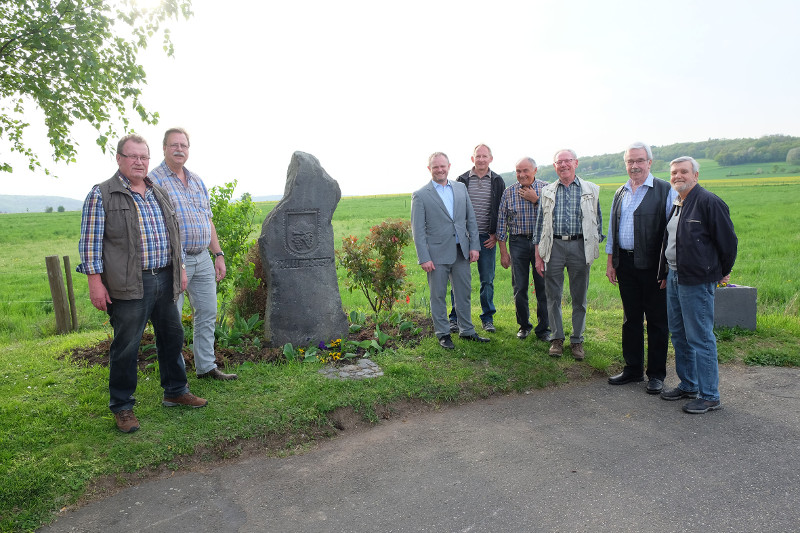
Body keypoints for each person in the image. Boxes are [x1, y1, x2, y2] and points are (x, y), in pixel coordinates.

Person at [77, 134, 207, 434]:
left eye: (143, 157)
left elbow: (174, 236)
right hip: (129, 285)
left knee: (172, 336)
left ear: (149, 160)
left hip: (164, 277)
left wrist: (181, 270)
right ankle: (122, 407)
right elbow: (90, 243)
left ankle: (176, 390)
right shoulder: (102, 194)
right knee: (126, 347)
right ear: (119, 159)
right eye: (132, 156)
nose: (139, 162)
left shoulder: (158, 192)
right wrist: (95, 283)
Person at [149, 127, 237, 381]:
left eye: (184, 145)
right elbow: (158, 227)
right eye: (174, 145)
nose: (179, 149)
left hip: (203, 257)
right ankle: (175, 379)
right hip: (174, 261)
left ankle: (206, 367)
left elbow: (207, 220)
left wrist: (218, 254)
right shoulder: (155, 181)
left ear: (188, 149)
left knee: (208, 313)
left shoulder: (196, 180)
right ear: (164, 148)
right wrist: (179, 264)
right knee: (171, 321)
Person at [658, 156, 737, 414]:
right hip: (673, 276)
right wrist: (664, 273)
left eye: (683, 171)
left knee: (700, 337)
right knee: (679, 334)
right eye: (674, 172)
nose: (677, 176)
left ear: (696, 175)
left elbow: (728, 243)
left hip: (696, 280)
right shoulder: (678, 203)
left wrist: (721, 272)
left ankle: (710, 395)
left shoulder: (708, 202)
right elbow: (669, 241)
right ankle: (689, 384)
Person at [606, 142, 676, 394]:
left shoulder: (664, 190)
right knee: (630, 319)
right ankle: (633, 369)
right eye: (630, 161)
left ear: (649, 162)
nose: (634, 166)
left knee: (657, 321)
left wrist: (666, 269)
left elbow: (672, 233)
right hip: (625, 264)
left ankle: (656, 374)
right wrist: (611, 261)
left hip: (653, 267)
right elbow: (613, 230)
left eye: (639, 161)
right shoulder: (620, 192)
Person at [411, 152, 490, 349]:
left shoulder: (460, 188)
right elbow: (418, 230)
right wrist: (424, 257)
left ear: (449, 166)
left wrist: (474, 246)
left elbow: (470, 219)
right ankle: (443, 333)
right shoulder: (421, 195)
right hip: (436, 255)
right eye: (435, 167)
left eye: (442, 166)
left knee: (463, 293)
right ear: (429, 169)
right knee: (438, 295)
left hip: (461, 251)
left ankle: (467, 330)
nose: (440, 170)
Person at [533, 149, 603, 360]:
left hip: (579, 247)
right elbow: (539, 226)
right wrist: (538, 256)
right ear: (555, 166)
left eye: (567, 161)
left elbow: (597, 220)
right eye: (559, 162)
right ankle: (556, 338)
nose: (563, 165)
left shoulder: (591, 189)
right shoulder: (547, 191)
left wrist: (592, 244)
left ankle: (577, 340)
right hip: (554, 247)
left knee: (579, 296)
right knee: (552, 296)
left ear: (576, 163)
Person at [448, 144, 505, 333]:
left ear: (491, 158)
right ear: (472, 159)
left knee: (487, 280)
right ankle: (455, 318)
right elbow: (454, 209)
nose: (481, 159)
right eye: (478, 156)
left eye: (484, 156)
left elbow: (501, 210)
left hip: (487, 238)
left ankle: (487, 318)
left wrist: (496, 234)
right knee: (458, 279)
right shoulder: (461, 180)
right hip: (463, 238)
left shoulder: (497, 181)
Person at [496, 157, 551, 341]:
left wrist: (537, 200)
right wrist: (504, 252)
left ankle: (544, 329)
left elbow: (555, 214)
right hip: (518, 243)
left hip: (542, 244)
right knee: (519, 287)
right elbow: (501, 223)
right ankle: (524, 325)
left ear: (535, 170)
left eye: (526, 170)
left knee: (543, 287)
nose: (522, 175)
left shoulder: (547, 189)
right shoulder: (509, 192)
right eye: (518, 171)